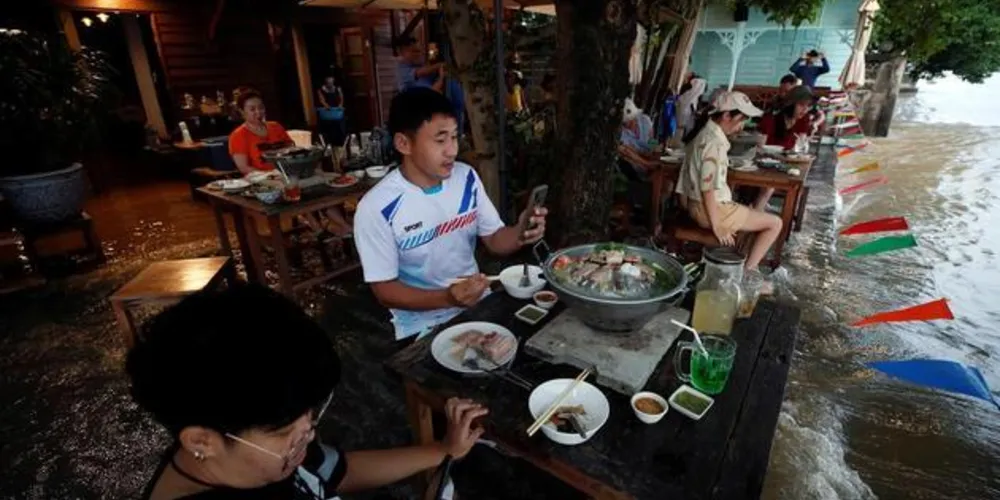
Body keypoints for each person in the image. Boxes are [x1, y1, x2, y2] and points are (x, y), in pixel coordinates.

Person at [127, 284, 487, 499]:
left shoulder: (259, 458)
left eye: (311, 418)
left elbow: (335, 470)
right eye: (286, 433)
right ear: (202, 441)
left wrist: (443, 450)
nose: (308, 435)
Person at [354, 88, 547, 341]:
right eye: (440, 139)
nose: (452, 150)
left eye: (455, 137)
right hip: (420, 322)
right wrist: (446, 298)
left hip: (478, 303)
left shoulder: (465, 177)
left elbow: (495, 240)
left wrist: (520, 232)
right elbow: (384, 290)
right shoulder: (376, 207)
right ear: (403, 143)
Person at [675, 91, 783, 274]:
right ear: (726, 115)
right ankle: (748, 272)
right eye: (741, 120)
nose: (741, 126)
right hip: (714, 209)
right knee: (775, 223)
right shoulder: (713, 143)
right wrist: (718, 226)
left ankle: (739, 262)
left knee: (755, 212)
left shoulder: (702, 135)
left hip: (699, 206)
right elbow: (707, 188)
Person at [229, 88, 351, 236]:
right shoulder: (238, 136)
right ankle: (318, 226)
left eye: (260, 108)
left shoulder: (275, 127)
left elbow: (292, 150)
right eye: (252, 109)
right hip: (261, 177)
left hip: (288, 170)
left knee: (321, 181)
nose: (258, 112)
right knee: (297, 187)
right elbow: (243, 167)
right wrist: (270, 175)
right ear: (242, 112)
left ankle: (339, 225)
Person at [758, 85, 822, 150]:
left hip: (790, 158)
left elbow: (801, 144)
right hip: (768, 157)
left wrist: (807, 139)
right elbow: (760, 147)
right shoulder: (771, 118)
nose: (805, 109)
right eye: (801, 104)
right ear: (791, 104)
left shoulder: (804, 118)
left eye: (808, 105)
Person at [316, 75, 347, 148]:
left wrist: (340, 105)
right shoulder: (321, 90)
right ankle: (329, 143)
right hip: (327, 113)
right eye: (328, 82)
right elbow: (321, 99)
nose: (330, 83)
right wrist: (326, 105)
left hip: (337, 112)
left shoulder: (337, 88)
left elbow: (341, 97)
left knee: (340, 128)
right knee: (328, 129)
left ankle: (340, 143)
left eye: (331, 82)